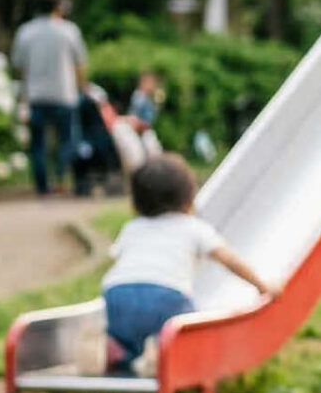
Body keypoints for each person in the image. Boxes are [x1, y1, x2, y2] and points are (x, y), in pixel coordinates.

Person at [100, 155, 280, 377]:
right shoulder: (193, 227)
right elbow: (228, 259)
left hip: (117, 294)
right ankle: (159, 352)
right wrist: (262, 286)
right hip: (166, 296)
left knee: (127, 335)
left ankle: (119, 353)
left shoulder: (132, 228)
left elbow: (118, 263)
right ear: (188, 198)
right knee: (189, 327)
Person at [11, 0, 88, 196]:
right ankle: (62, 179)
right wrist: (82, 87)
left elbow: (19, 66)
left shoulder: (25, 31)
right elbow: (80, 63)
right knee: (67, 140)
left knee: (38, 144)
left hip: (36, 95)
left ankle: (42, 186)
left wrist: (23, 94)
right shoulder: (69, 30)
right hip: (64, 94)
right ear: (57, 8)